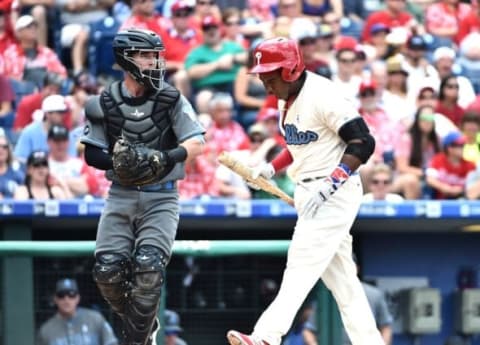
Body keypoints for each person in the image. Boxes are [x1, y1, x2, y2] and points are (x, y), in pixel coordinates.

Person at [226, 37, 383, 345]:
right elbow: (300, 143)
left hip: (332, 192)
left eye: (269, 77)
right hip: (308, 190)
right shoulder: (287, 98)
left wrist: (330, 185)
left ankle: (266, 336)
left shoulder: (323, 95)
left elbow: (363, 142)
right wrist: (272, 168)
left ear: (290, 71)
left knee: (300, 264)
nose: (265, 85)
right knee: (344, 284)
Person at [80, 28, 204, 345]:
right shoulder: (103, 101)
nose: (153, 61)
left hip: (161, 196)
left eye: (155, 55)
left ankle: (138, 340)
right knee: (107, 273)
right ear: (126, 58)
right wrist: (119, 163)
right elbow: (92, 152)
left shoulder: (171, 97)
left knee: (148, 270)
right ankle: (145, 327)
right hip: (120, 194)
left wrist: (163, 158)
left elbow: (196, 144)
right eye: (145, 55)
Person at [36, 278, 119, 345]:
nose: (66, 300)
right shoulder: (46, 330)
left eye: (71, 294)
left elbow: (111, 342)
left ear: (78, 298)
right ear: (55, 299)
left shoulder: (95, 319)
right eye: (61, 295)